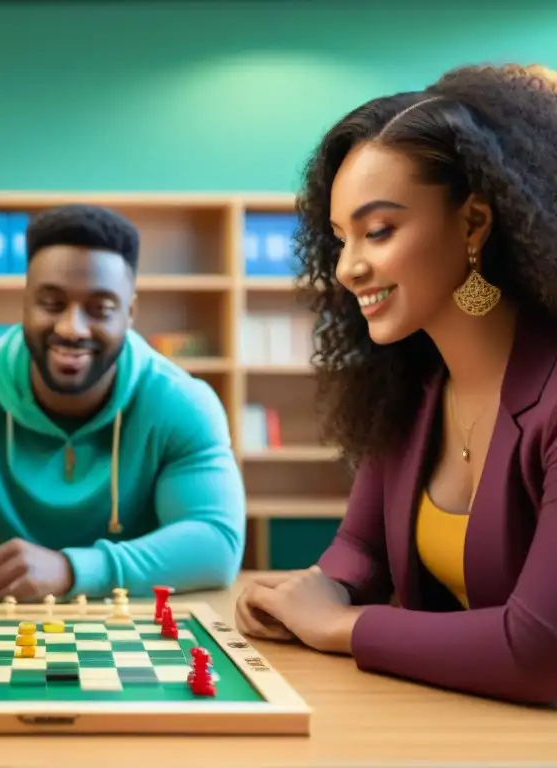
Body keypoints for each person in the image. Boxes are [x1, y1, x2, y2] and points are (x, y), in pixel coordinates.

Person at [234, 63, 557, 705]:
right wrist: (313, 591)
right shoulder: (412, 388)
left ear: (473, 225)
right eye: (340, 238)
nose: (350, 268)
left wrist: (341, 624)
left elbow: (540, 654)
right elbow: (362, 549)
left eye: (378, 231)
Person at [0, 203, 246, 600]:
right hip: (3, 636)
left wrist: (71, 569)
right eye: (51, 304)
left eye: (100, 309)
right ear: (25, 303)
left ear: (130, 313)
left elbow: (216, 545)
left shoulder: (181, 403)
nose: (71, 328)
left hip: (142, 633)